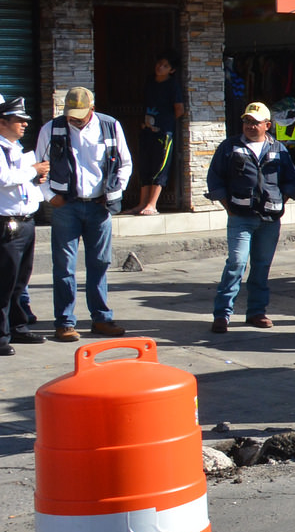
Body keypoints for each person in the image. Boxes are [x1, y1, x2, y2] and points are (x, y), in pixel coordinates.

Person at [37, 87, 130, 341]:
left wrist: (115, 191)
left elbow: (124, 163)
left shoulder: (110, 126)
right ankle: (65, 322)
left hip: (100, 206)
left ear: (92, 108)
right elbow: (39, 167)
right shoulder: (52, 129)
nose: (75, 119)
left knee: (100, 263)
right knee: (64, 266)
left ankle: (101, 318)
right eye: (71, 114)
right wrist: (50, 196)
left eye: (80, 114)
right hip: (66, 206)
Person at [206, 102, 295, 333]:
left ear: (267, 125)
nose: (249, 126)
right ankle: (222, 314)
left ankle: (256, 312)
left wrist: (282, 202)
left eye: (255, 122)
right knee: (236, 263)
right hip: (240, 217)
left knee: (261, 266)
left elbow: (291, 180)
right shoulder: (230, 147)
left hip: (269, 220)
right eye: (246, 121)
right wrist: (228, 207)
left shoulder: (279, 149)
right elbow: (215, 179)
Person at [0, 99, 48, 355]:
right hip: (7, 224)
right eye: (18, 120)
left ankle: (17, 328)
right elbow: (4, 178)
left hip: (25, 221)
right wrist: (32, 170)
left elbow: (22, 184)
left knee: (20, 281)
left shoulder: (16, 149)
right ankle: (1, 336)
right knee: (4, 282)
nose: (25, 124)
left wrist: (38, 178)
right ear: (2, 122)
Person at [132, 55, 185, 216]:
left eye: (165, 65)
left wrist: (164, 123)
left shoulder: (172, 86)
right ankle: (142, 203)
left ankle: (152, 204)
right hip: (147, 130)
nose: (160, 67)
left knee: (159, 166)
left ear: (172, 70)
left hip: (163, 132)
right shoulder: (150, 82)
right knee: (144, 165)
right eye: (159, 63)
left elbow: (179, 110)